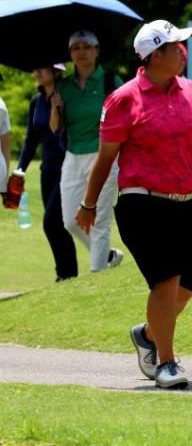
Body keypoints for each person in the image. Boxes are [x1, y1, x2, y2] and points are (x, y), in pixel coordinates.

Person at [76, 20, 192, 389]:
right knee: (165, 281)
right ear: (154, 55)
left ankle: (150, 333)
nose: (183, 52)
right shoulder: (124, 99)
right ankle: (166, 362)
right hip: (142, 204)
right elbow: (105, 159)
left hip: (186, 203)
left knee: (188, 283)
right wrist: (88, 204)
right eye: (176, 46)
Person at [50, 30, 124, 272]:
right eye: (75, 48)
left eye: (86, 46)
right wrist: (55, 107)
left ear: (96, 50)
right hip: (73, 156)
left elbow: (130, 117)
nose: (81, 52)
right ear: (70, 54)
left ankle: (97, 277)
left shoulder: (110, 81)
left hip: (104, 155)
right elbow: (54, 128)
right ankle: (107, 256)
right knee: (71, 221)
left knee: (99, 220)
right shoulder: (63, 86)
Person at [15, 64, 78, 281]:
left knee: (51, 222)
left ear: (56, 71)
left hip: (67, 167)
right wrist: (19, 170)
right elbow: (31, 139)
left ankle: (66, 273)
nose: (38, 72)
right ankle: (67, 273)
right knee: (56, 225)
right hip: (47, 170)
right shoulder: (36, 101)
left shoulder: (68, 95)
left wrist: (57, 108)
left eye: (44, 68)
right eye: (36, 68)